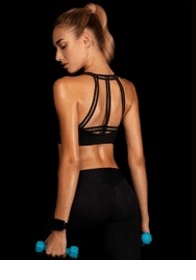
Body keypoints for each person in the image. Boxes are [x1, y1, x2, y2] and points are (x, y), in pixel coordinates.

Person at [44, 3, 150, 259]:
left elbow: (71, 160)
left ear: (86, 39)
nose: (58, 56)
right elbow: (136, 159)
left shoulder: (66, 87)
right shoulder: (128, 88)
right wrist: (145, 220)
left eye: (63, 45)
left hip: (85, 194)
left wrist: (59, 227)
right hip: (123, 196)